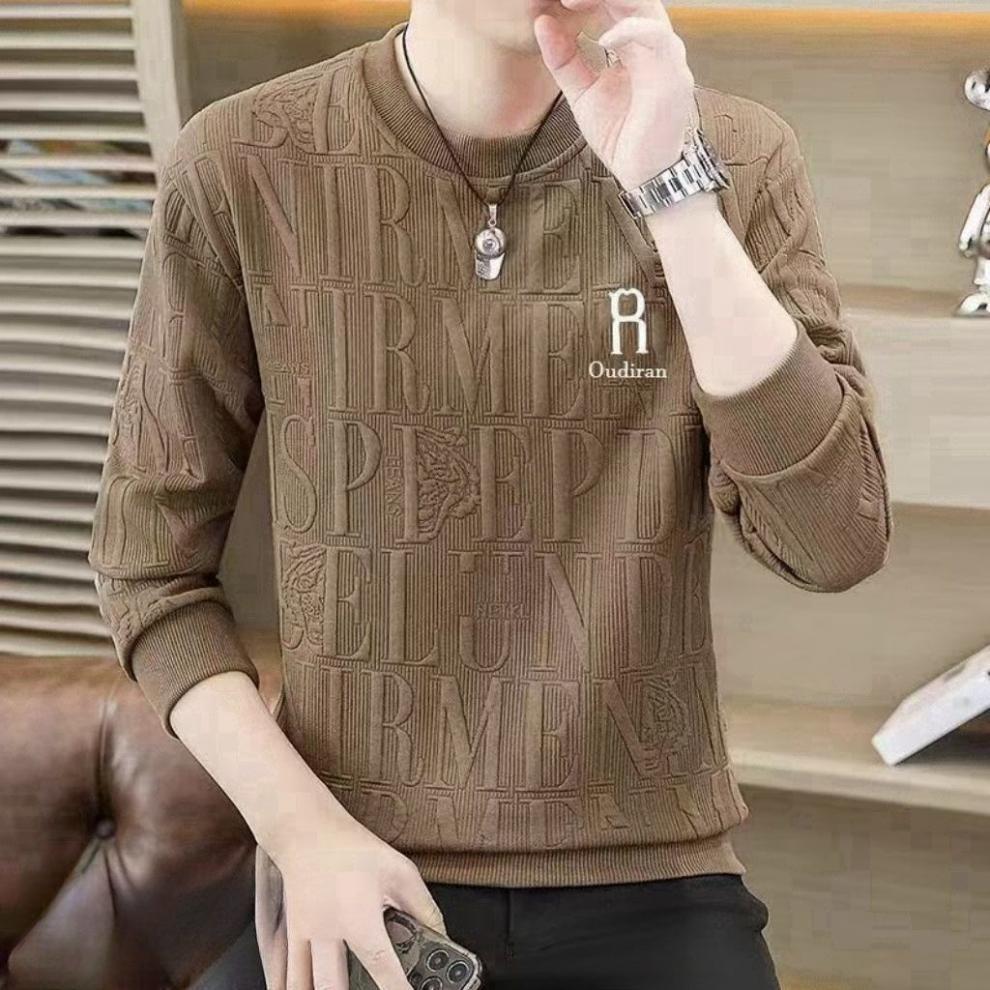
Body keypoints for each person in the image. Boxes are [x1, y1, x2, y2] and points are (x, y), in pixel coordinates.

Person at [87, 1, 893, 987]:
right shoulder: (241, 160)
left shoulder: (738, 155)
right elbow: (149, 569)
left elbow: (833, 539)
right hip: (355, 870)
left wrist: (675, 194)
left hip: (652, 873)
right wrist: (302, 832)